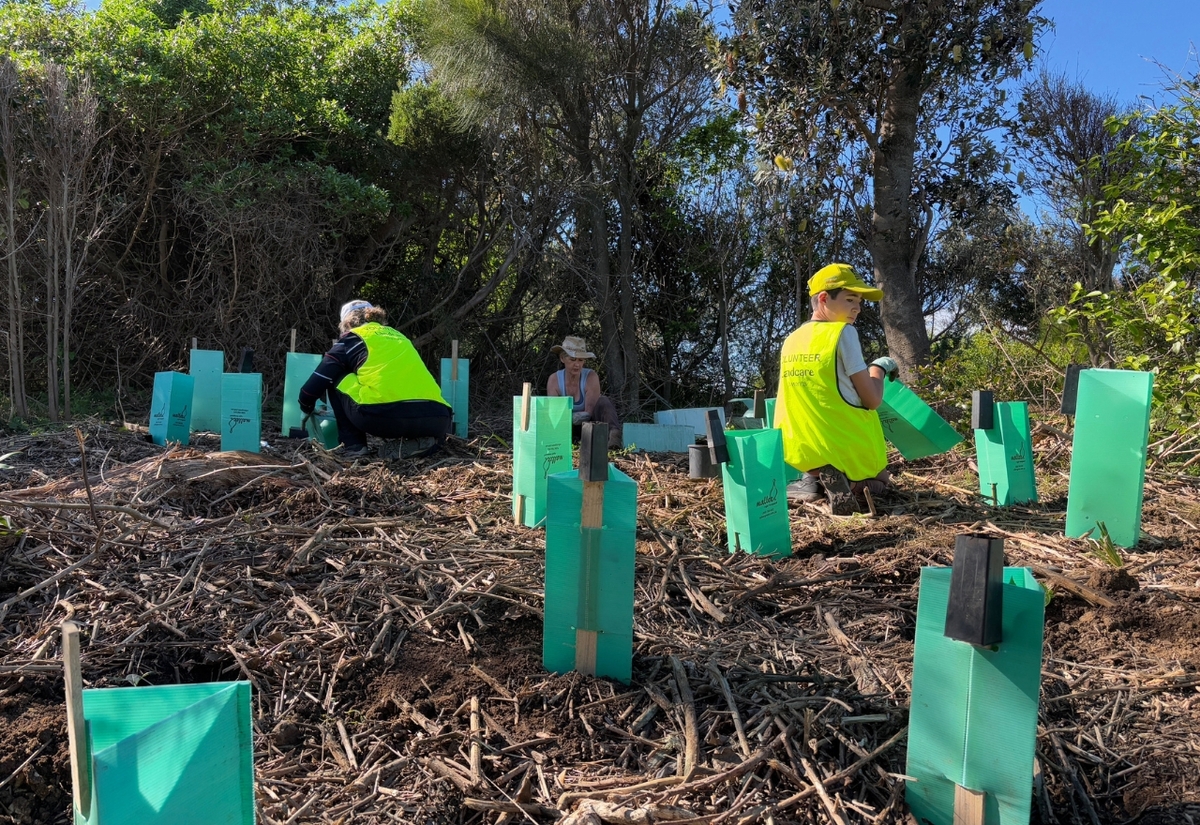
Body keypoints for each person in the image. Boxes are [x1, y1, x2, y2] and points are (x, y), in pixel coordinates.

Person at [774, 263, 899, 515]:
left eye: (859, 302)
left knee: (822, 452)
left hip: (801, 450)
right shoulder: (843, 332)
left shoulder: (791, 339)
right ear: (823, 299)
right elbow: (872, 400)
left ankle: (813, 481)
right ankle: (853, 484)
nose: (857, 308)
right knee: (884, 482)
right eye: (850, 299)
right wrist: (879, 368)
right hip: (846, 446)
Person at [298, 300, 451, 458]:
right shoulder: (400, 337)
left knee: (336, 374)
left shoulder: (352, 338)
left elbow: (319, 379)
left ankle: (354, 447)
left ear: (346, 324)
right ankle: (425, 442)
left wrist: (305, 406)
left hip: (384, 417)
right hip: (439, 418)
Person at [545, 335, 623, 449]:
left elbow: (589, 412)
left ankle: (614, 436)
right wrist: (568, 420)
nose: (577, 364)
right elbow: (554, 414)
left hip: (589, 426)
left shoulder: (591, 376)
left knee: (603, 401)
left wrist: (578, 416)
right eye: (572, 359)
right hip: (564, 427)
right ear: (562, 359)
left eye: (580, 360)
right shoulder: (554, 380)